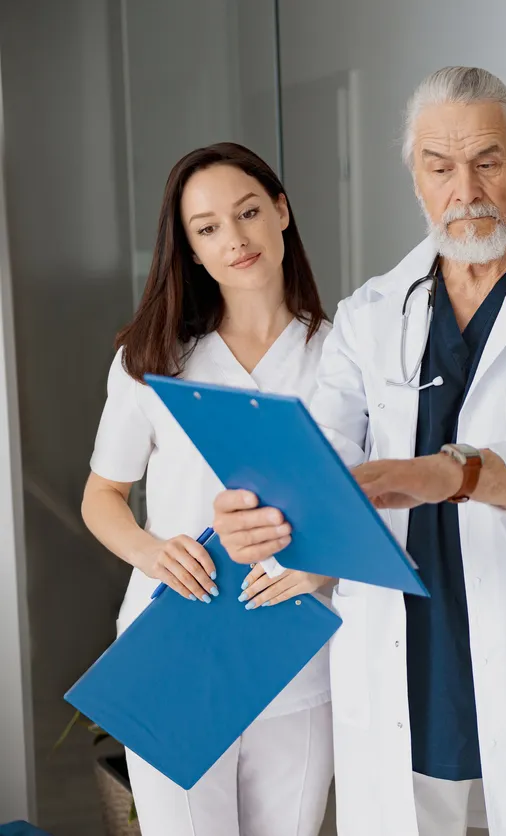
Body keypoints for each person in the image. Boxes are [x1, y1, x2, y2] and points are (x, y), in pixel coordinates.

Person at [211, 67, 506, 836]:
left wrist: (447, 474)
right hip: (405, 656)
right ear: (415, 175)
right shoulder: (370, 315)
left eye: (487, 161)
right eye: (439, 167)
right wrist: (265, 519)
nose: (464, 189)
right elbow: (321, 463)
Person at [81, 143, 334, 835]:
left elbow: (367, 506)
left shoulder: (343, 358)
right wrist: (151, 550)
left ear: (281, 212)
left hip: (295, 659)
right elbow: (102, 494)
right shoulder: (153, 359)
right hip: (175, 648)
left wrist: (322, 568)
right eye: (208, 227)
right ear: (190, 249)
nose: (235, 239)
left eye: (248, 212)